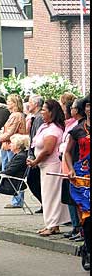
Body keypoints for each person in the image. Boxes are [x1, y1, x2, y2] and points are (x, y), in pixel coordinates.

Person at [27, 99, 70, 236]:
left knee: (51, 196)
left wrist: (35, 161)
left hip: (51, 166)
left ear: (51, 112)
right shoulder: (46, 127)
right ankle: (52, 224)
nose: (42, 113)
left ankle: (52, 225)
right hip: (44, 166)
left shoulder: (53, 130)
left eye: (44, 110)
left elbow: (47, 150)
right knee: (48, 195)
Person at [63, 95, 90, 250]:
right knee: (87, 216)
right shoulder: (77, 130)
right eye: (88, 105)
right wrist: (71, 169)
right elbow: (67, 152)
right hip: (83, 178)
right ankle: (87, 248)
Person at [0, 94, 27, 208]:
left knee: (14, 172)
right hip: (13, 144)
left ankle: (17, 200)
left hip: (13, 145)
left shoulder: (15, 115)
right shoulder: (18, 115)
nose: (7, 103)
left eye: (9, 101)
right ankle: (17, 199)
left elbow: (11, 132)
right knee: (14, 171)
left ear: (15, 103)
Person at [59, 96, 83, 240]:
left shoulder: (79, 127)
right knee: (72, 199)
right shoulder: (74, 127)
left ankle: (80, 228)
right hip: (70, 166)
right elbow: (67, 149)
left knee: (79, 201)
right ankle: (77, 227)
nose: (70, 110)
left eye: (73, 107)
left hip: (78, 165)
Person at [26, 95, 45, 211]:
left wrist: (32, 155)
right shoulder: (36, 117)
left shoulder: (38, 118)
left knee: (33, 180)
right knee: (35, 180)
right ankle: (44, 203)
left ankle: (44, 203)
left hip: (37, 155)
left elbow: (37, 137)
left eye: (30, 103)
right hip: (35, 154)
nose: (28, 105)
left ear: (36, 104)